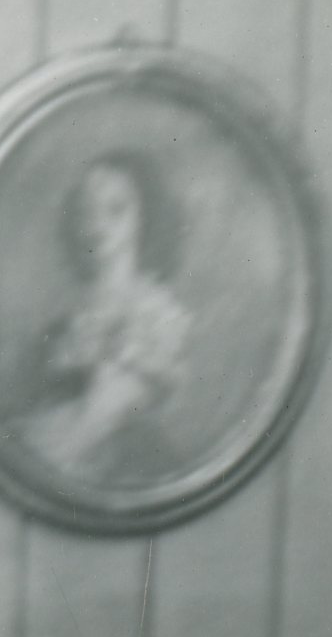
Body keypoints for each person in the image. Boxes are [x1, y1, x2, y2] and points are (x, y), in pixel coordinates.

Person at [23, 153, 201, 484]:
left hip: (126, 469)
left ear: (145, 219)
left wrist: (38, 459)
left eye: (115, 210)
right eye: (86, 211)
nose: (97, 225)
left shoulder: (155, 313)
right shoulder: (69, 319)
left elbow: (101, 415)